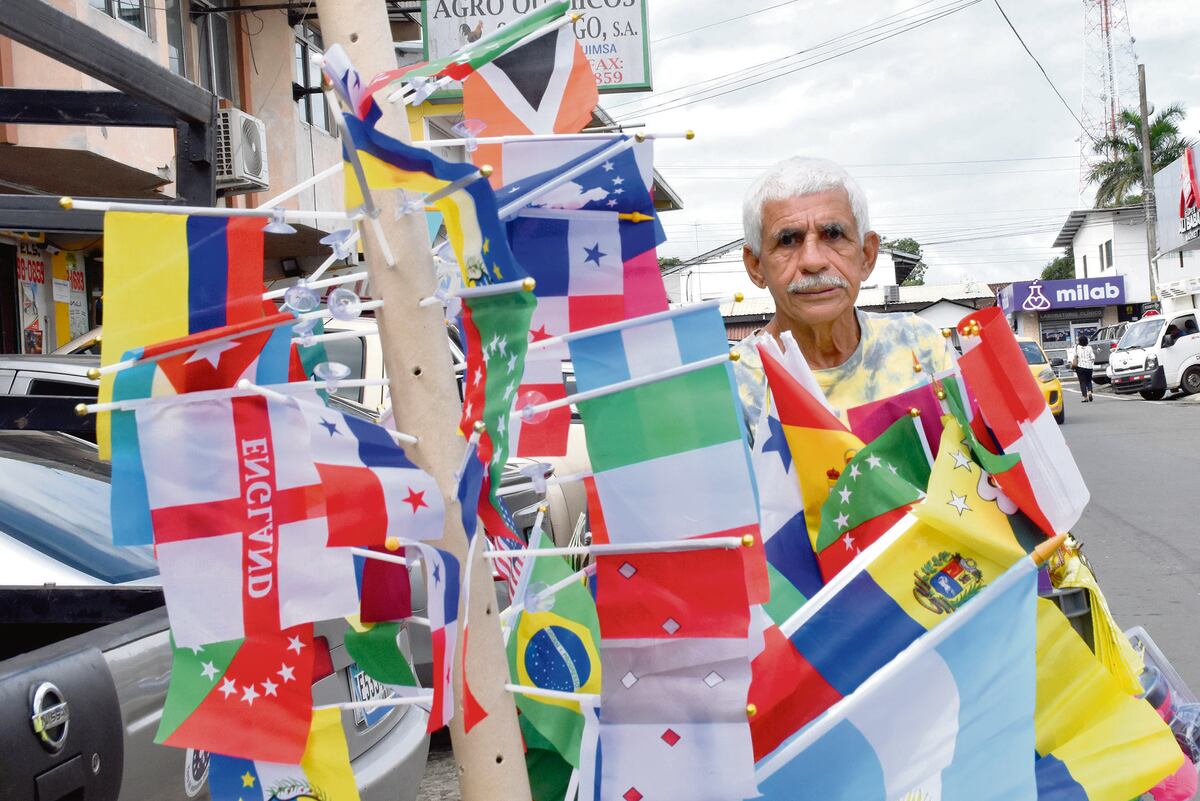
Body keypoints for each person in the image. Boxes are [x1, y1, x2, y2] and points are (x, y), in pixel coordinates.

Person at [731, 157, 954, 431]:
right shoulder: (733, 389)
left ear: (866, 255)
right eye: (788, 240)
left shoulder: (920, 345)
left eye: (833, 234)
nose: (812, 261)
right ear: (756, 267)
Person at [1072, 334, 1095, 402]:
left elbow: (1074, 356)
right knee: (1088, 381)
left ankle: (1085, 397)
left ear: (1079, 341)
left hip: (1080, 367)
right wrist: (1090, 362)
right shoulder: (1089, 348)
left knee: (1082, 382)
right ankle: (1090, 392)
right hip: (1089, 367)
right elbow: (1093, 357)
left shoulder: (1077, 348)